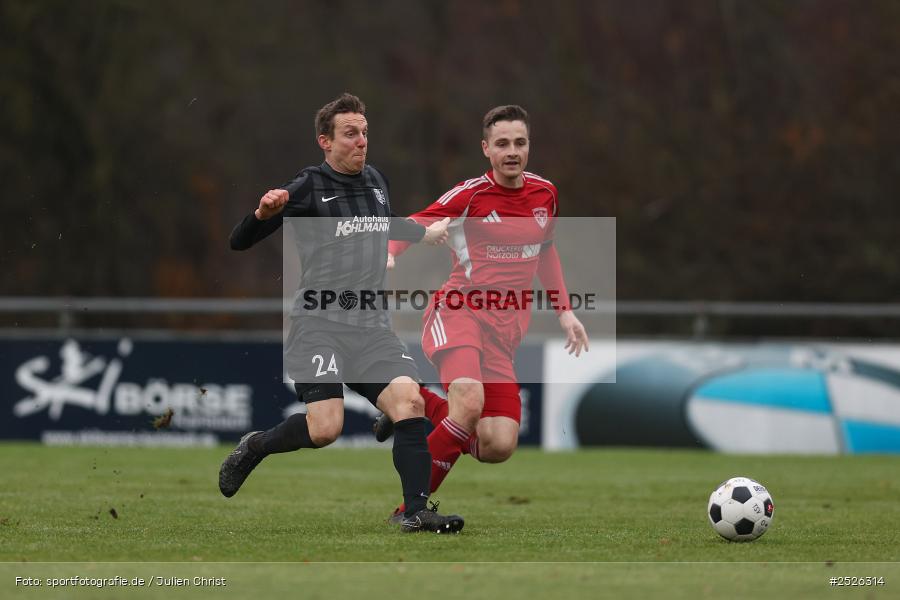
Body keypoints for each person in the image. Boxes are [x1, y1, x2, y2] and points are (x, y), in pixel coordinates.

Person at [218, 93, 463, 533]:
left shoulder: (376, 181)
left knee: (409, 402)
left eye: (365, 133)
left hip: (370, 327)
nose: (361, 141)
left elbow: (382, 222)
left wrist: (422, 233)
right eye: (350, 134)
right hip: (318, 326)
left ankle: (415, 512)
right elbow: (239, 241)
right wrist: (261, 213)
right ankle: (255, 446)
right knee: (325, 429)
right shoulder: (308, 186)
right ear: (325, 141)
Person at [376, 105, 589, 520]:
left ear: (529, 146)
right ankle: (409, 510)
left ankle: (412, 401)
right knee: (470, 401)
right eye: (502, 143)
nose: (512, 151)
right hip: (458, 313)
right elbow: (418, 221)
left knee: (497, 444)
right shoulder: (470, 195)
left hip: (503, 332)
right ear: (486, 149)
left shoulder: (545, 194)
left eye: (520, 143)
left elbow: (545, 252)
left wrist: (565, 311)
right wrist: (391, 250)